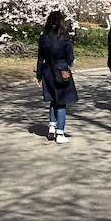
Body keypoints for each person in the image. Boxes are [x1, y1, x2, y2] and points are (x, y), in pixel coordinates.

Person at [37, 10, 78, 144]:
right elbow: (70, 58)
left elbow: (40, 58)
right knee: (61, 103)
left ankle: (51, 128)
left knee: (53, 101)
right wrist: (69, 64)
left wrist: (39, 75)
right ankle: (60, 133)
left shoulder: (43, 38)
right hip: (62, 72)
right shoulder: (64, 39)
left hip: (47, 71)